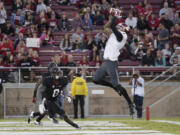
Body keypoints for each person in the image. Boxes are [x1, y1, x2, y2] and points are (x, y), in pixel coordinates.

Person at [92, 8, 134, 116]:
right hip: (105, 62)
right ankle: (112, 86)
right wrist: (112, 19)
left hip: (112, 63)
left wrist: (116, 16)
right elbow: (106, 27)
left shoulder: (123, 36)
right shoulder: (114, 34)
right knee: (95, 79)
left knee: (118, 85)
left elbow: (113, 29)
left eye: (121, 26)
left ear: (124, 29)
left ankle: (130, 104)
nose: (119, 26)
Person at [29, 62, 79, 128]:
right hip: (47, 98)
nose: (56, 74)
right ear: (51, 72)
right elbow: (39, 89)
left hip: (56, 98)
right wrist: (39, 102)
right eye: (54, 73)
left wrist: (67, 95)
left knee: (49, 111)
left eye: (58, 73)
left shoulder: (62, 79)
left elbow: (64, 88)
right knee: (59, 113)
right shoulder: (47, 79)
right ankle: (75, 126)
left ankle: (34, 115)